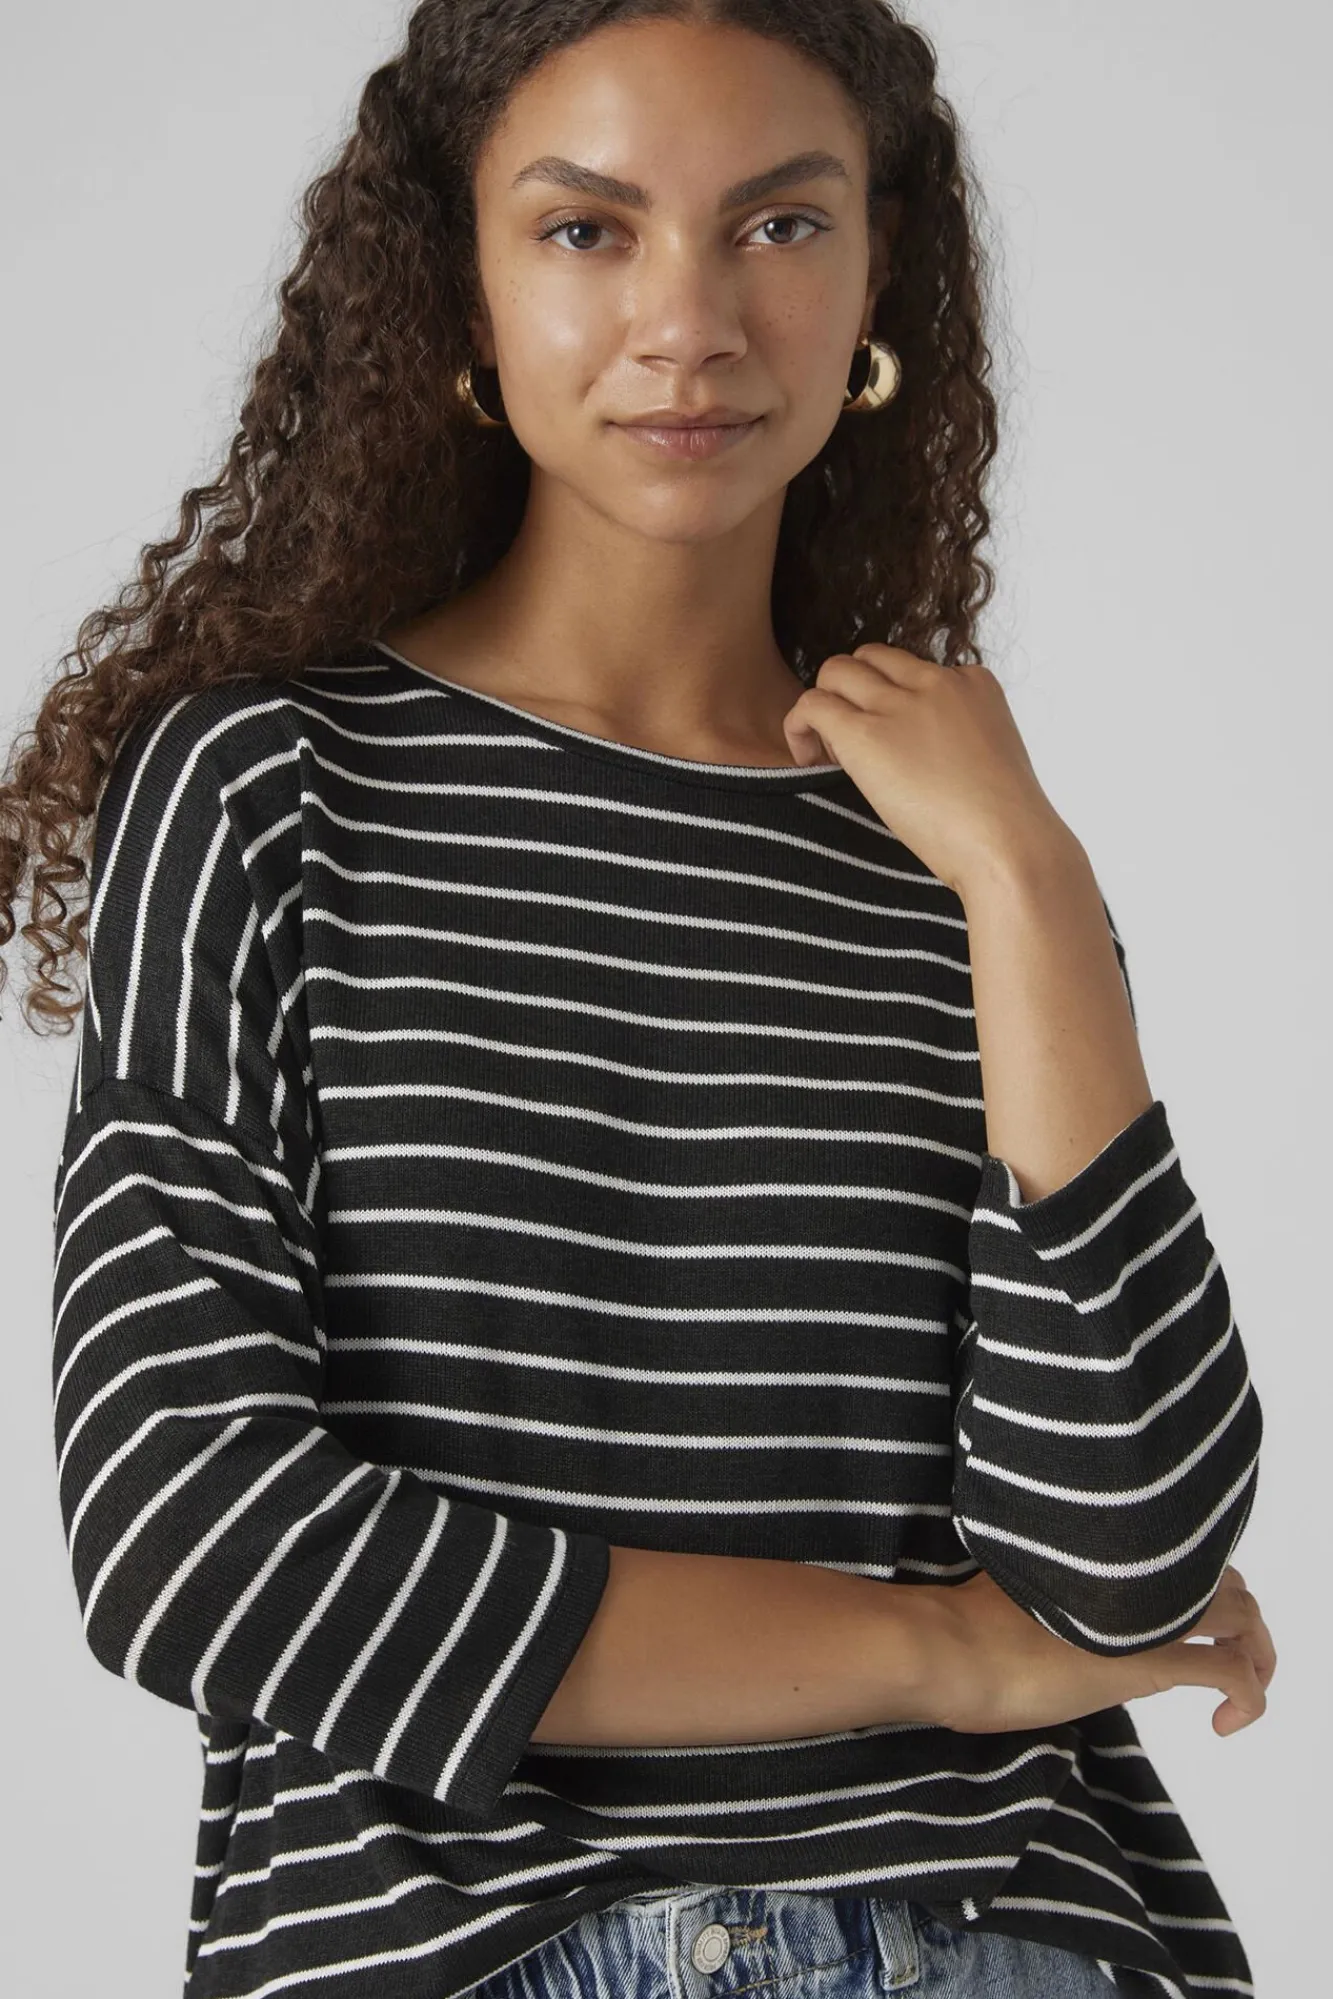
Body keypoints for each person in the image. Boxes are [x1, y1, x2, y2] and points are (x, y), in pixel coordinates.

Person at [0, 5, 1275, 1997]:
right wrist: (938, 1647)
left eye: (779, 225)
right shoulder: (270, 794)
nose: (689, 325)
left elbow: (1127, 1557)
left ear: (879, 278)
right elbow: (199, 1541)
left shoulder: (965, 860)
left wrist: (1030, 881)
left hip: (1011, 1942)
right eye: (587, 230)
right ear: (463, 282)